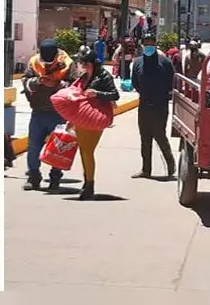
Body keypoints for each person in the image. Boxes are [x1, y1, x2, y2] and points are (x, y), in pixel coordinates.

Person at [21, 39, 73, 191]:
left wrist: (57, 85)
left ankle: (55, 178)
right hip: (38, 112)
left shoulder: (67, 63)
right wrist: (38, 81)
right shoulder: (34, 62)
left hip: (59, 113)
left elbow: (75, 84)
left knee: (58, 148)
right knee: (33, 146)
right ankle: (33, 177)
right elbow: (25, 80)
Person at [70, 46, 120, 199]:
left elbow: (115, 95)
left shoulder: (103, 75)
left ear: (89, 63)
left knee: (87, 151)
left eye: (82, 62)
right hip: (82, 117)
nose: (80, 65)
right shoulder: (84, 77)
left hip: (95, 116)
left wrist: (97, 93)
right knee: (83, 151)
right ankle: (87, 182)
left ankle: (90, 185)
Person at [130, 33, 176, 179]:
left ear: (155, 45)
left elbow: (172, 82)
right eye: (146, 43)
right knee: (145, 138)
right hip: (144, 105)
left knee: (160, 136)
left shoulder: (165, 62)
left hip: (160, 106)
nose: (148, 46)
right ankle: (146, 170)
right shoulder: (137, 62)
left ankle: (170, 165)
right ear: (142, 45)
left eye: (151, 43)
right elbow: (135, 82)